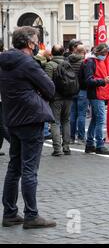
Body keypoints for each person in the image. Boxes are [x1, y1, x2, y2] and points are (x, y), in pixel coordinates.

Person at [0, 26, 57, 228]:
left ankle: (9, 213)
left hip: (12, 118)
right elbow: (49, 88)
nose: (36, 45)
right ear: (29, 43)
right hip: (30, 118)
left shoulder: (4, 60)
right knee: (29, 169)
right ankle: (31, 215)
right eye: (36, 41)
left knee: (14, 168)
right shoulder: (27, 62)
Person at [83, 44, 109, 155]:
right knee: (100, 119)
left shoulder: (95, 61)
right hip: (96, 94)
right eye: (104, 54)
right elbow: (89, 80)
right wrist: (104, 81)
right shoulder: (91, 62)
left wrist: (106, 80)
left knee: (96, 119)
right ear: (99, 53)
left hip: (98, 93)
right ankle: (99, 145)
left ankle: (90, 144)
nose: (105, 57)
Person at [44, 44, 74, 156]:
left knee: (55, 122)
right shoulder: (68, 64)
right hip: (69, 96)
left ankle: (57, 149)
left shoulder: (50, 65)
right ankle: (66, 147)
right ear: (63, 52)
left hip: (56, 98)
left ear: (52, 53)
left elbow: (47, 82)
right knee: (66, 121)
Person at [69, 44, 88, 145]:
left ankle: (71, 137)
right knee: (81, 115)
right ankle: (81, 137)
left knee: (72, 114)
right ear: (83, 52)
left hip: (71, 90)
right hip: (82, 90)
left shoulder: (69, 61)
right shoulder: (84, 62)